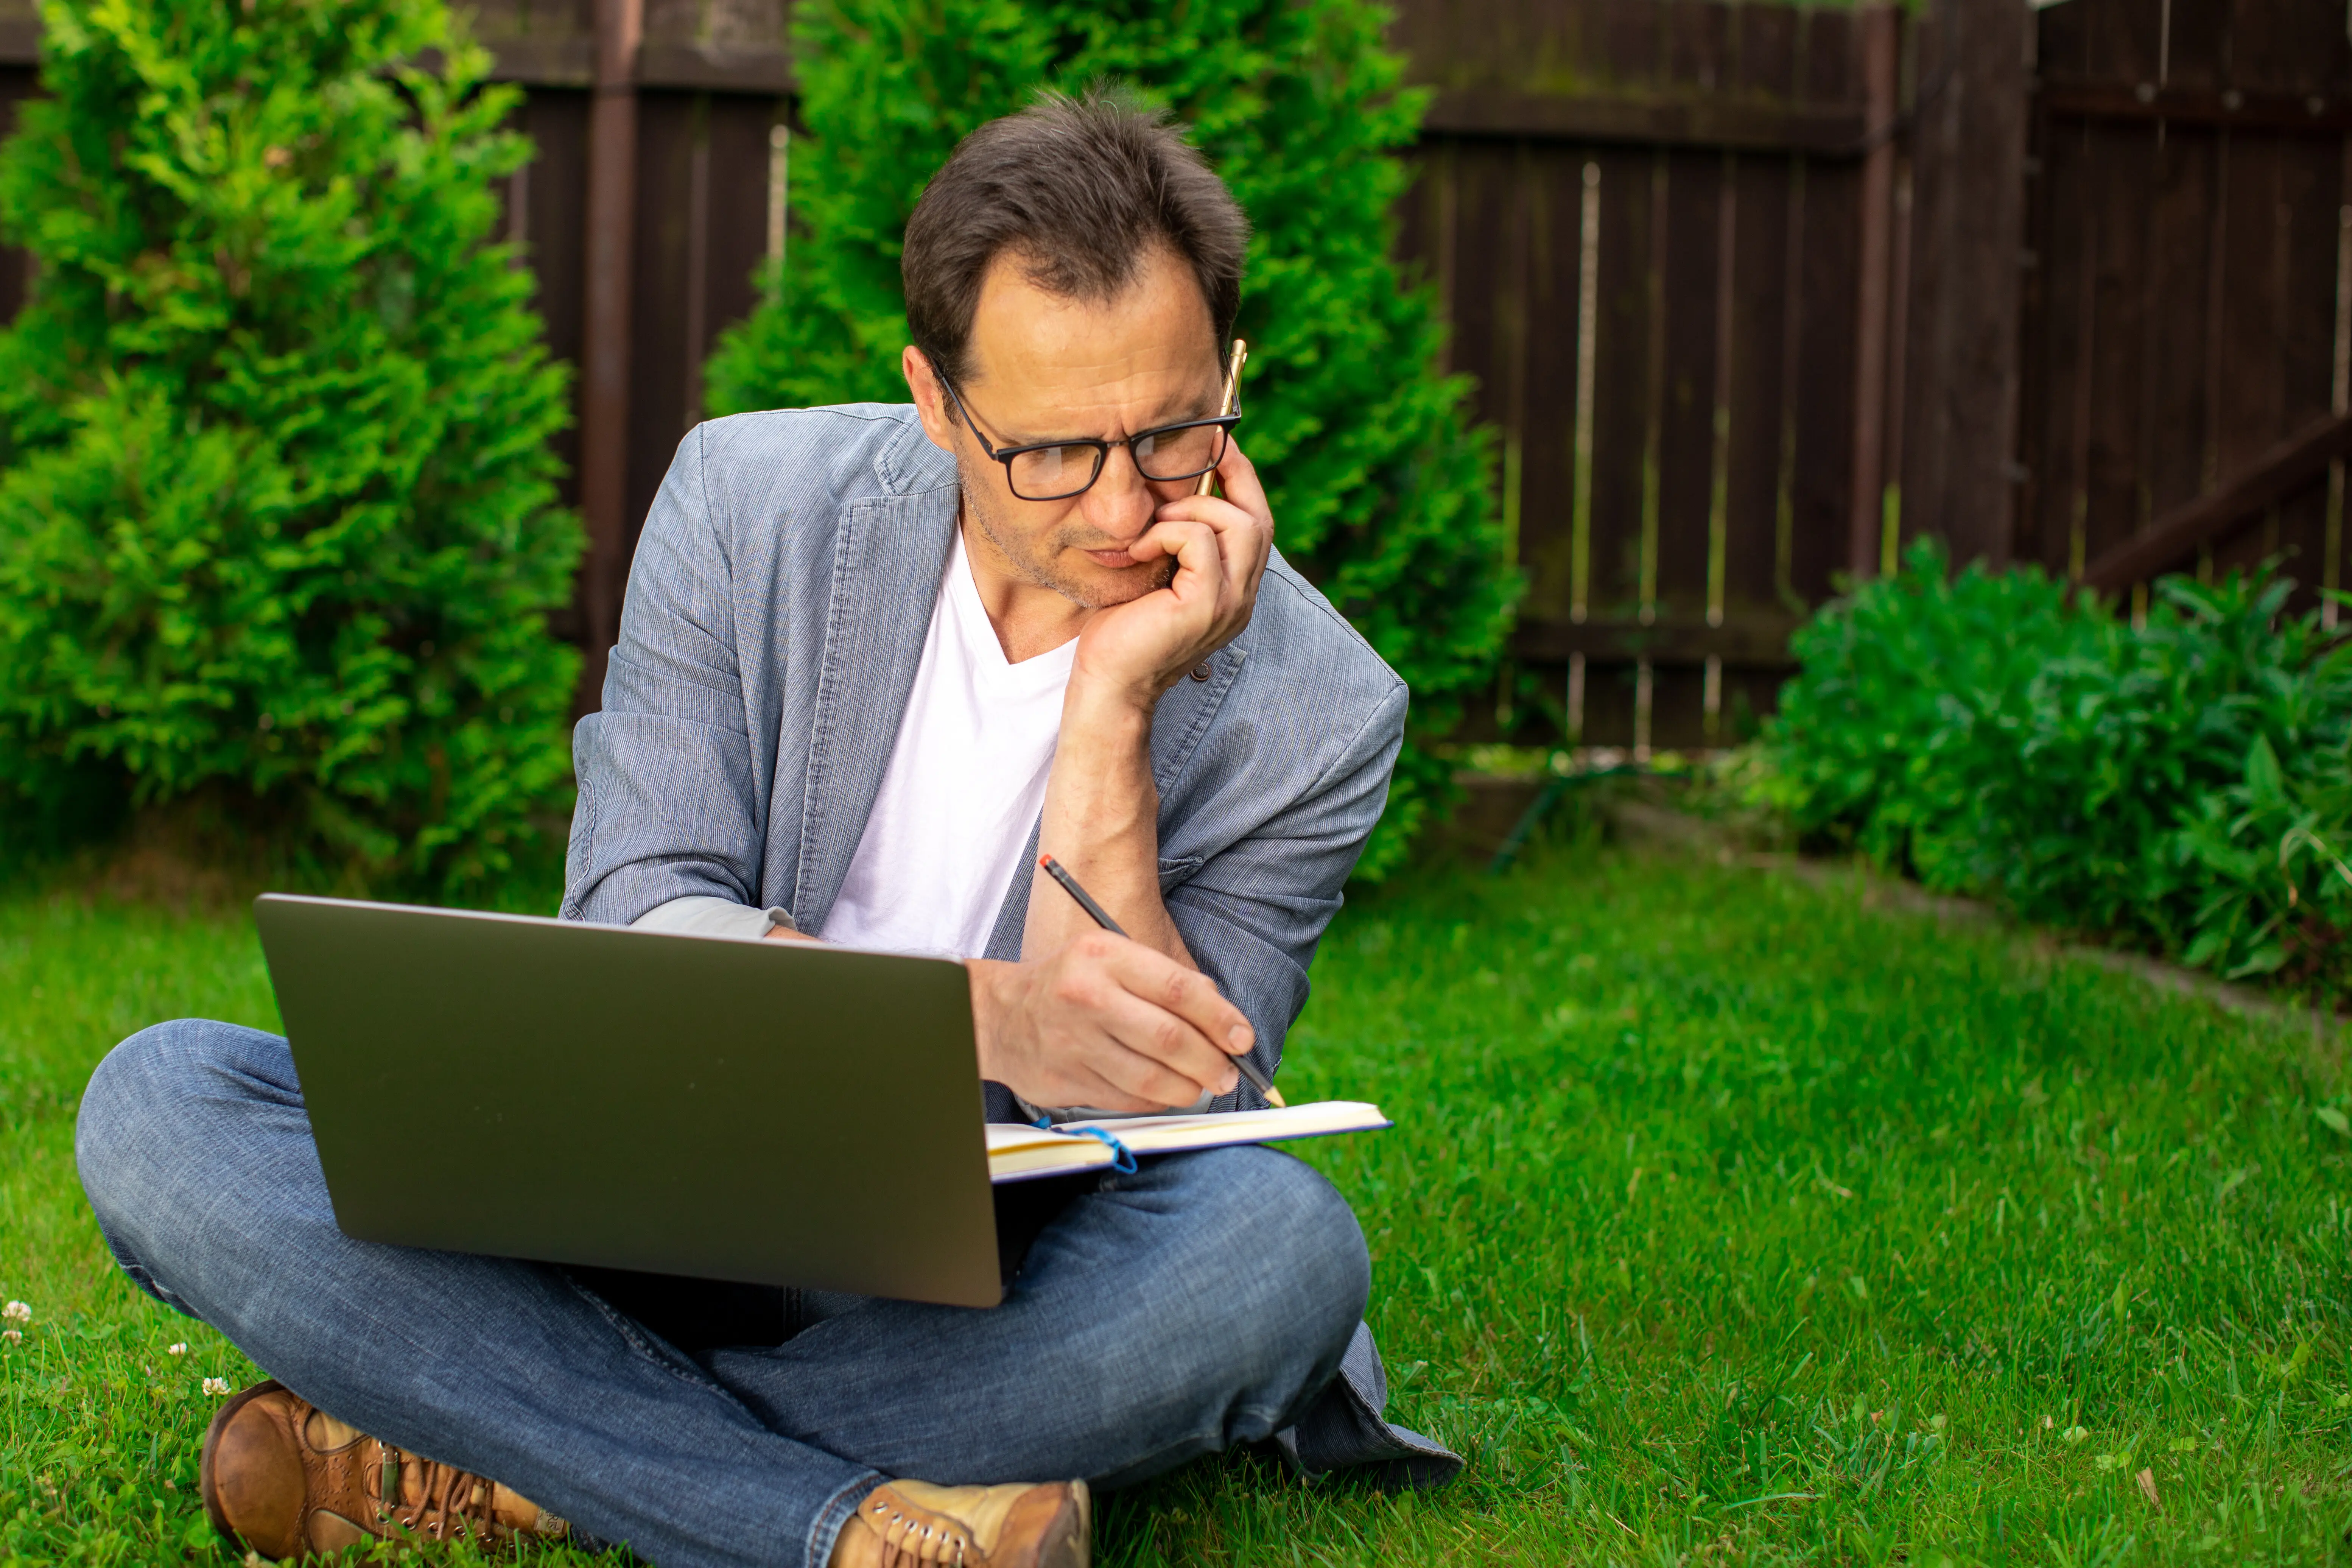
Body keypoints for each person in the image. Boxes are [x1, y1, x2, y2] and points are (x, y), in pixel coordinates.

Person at [75, 89, 1457, 1568]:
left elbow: (1185, 1122)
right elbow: (630, 905)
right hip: (654, 1205)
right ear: (935, 402)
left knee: (1280, 1252)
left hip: (992, 1284)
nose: (1122, 507)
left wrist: (1114, 709)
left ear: (1230, 374)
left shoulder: (1315, 709)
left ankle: (514, 1435)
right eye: (1050, 451)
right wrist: (981, 1022)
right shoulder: (746, 505)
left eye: (1175, 434)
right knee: (160, 1105)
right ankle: (826, 1516)